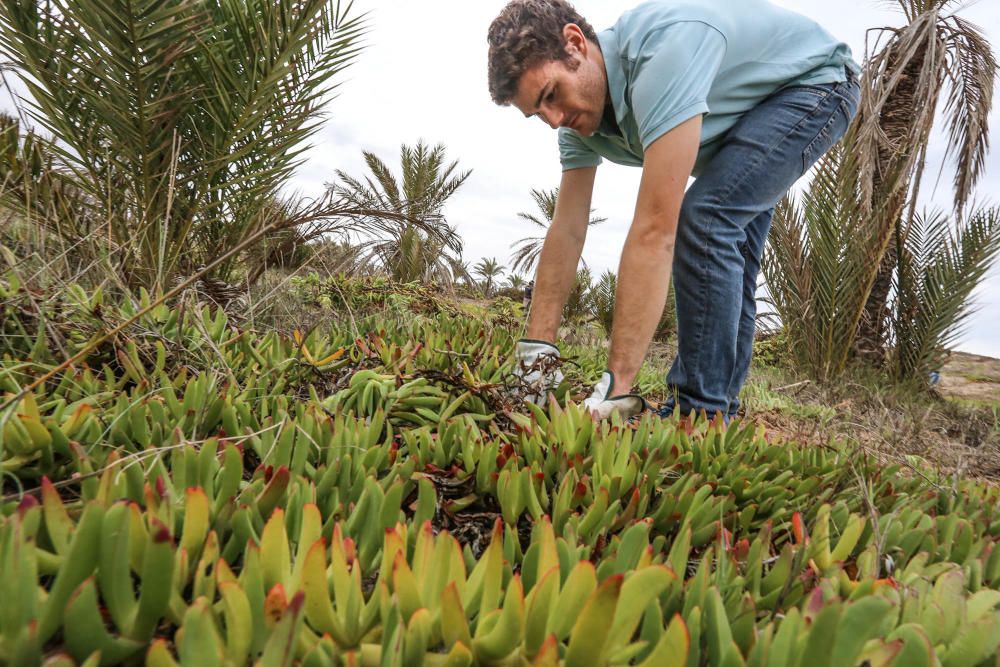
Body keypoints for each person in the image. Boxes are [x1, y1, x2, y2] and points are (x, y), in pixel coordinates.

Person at [488, 0, 860, 420]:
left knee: (706, 220)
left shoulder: (660, 56)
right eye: (538, 114)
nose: (554, 119)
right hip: (746, 113)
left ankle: (698, 414)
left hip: (813, 86)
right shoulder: (576, 122)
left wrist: (616, 385)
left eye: (551, 95)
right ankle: (719, 412)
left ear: (575, 44)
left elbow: (654, 231)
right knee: (725, 252)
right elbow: (567, 230)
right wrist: (537, 356)